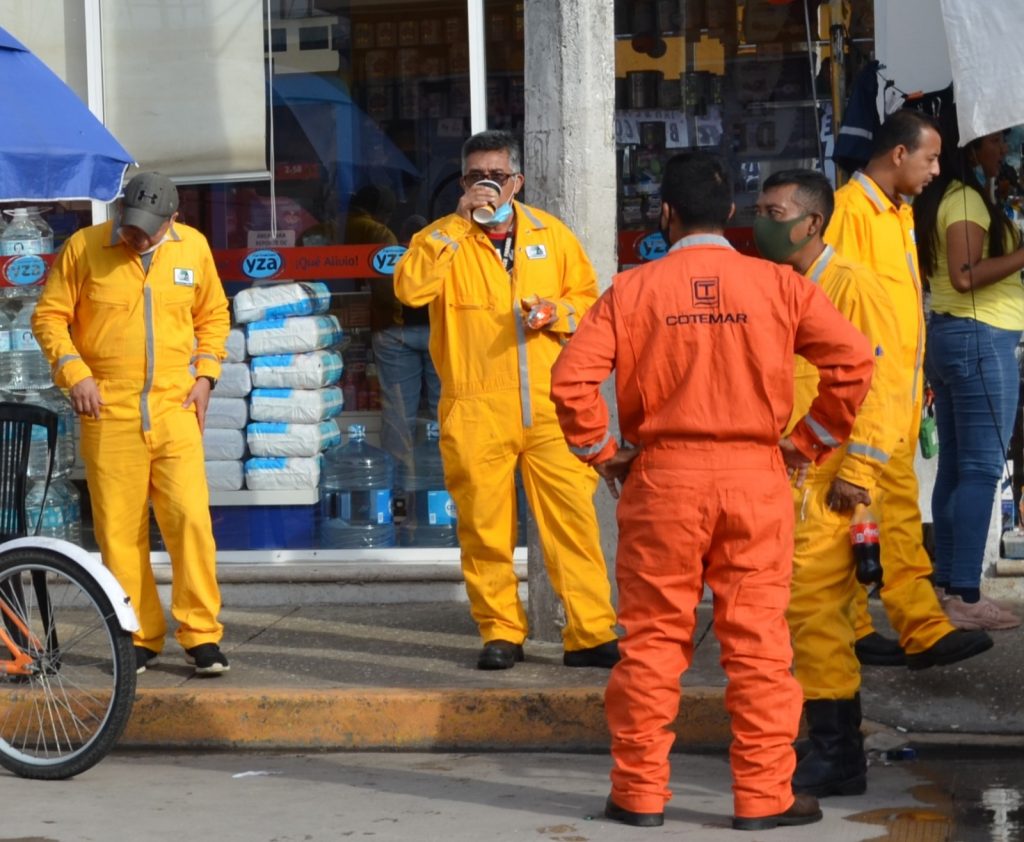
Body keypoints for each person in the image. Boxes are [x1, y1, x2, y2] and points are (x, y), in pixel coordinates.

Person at [551, 150, 875, 831]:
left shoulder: (632, 290)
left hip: (662, 481)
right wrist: (807, 442)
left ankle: (638, 795)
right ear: (730, 214)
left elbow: (571, 382)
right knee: (759, 645)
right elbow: (851, 362)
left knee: (651, 644)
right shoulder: (779, 285)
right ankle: (764, 798)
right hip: (755, 479)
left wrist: (603, 455)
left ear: (665, 214)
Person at [394, 129, 618, 671]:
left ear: (517, 180)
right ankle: (500, 631)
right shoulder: (441, 239)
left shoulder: (551, 234)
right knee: (483, 527)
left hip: (548, 407)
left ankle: (591, 633)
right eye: (475, 177)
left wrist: (555, 314)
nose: (486, 185)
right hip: (475, 406)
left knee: (572, 523)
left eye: (496, 175)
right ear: (463, 181)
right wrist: (455, 225)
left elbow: (589, 304)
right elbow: (409, 289)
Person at [32, 171, 231, 677]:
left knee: (190, 523)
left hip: (175, 410)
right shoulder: (83, 248)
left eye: (146, 229)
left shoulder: (194, 250)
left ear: (172, 221)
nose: (133, 236)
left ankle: (201, 636)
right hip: (108, 413)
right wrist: (74, 374)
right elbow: (49, 317)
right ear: (119, 210)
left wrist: (206, 375)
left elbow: (214, 316)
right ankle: (139, 636)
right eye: (128, 223)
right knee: (120, 533)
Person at [824, 109, 996, 670]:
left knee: (882, 520)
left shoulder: (894, 212)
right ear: (899, 155)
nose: (936, 170)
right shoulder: (851, 212)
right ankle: (897, 628)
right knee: (863, 523)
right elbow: (844, 314)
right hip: (866, 399)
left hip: (895, 395)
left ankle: (897, 627)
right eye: (931, 158)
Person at [913, 116, 1024, 630]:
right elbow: (963, 277)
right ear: (972, 144)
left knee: (959, 466)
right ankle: (964, 593)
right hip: (979, 338)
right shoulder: (963, 200)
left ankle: (946, 584)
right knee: (979, 469)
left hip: (958, 338)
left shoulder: (954, 196)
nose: (1002, 147)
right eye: (995, 137)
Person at [348, 187, 440, 483]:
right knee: (445, 410)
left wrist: (397, 320)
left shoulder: (373, 236)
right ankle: (443, 484)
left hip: (392, 333)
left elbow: (387, 291)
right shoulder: (443, 248)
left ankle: (399, 490)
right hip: (434, 331)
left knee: (399, 416)